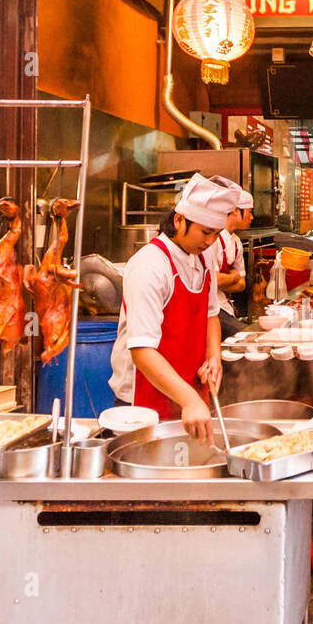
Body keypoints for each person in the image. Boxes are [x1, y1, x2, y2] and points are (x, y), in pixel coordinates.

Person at [108, 173, 232, 443]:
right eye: (205, 232)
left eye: (217, 233)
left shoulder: (204, 254)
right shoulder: (149, 265)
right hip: (142, 404)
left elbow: (211, 314)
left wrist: (214, 356)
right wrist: (189, 398)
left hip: (187, 397)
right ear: (179, 220)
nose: (211, 241)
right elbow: (142, 351)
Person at [204, 180, 253, 338]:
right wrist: (233, 276)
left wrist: (230, 280)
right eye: (249, 211)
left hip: (226, 308)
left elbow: (241, 285)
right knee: (243, 337)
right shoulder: (212, 239)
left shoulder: (236, 243)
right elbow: (212, 281)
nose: (251, 217)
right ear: (234, 211)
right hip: (210, 310)